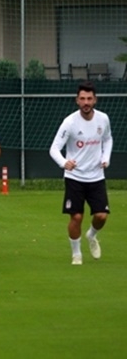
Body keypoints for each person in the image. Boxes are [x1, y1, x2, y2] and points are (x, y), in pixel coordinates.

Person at [48, 82, 112, 265]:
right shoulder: (69, 122)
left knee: (101, 216)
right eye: (82, 99)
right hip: (75, 177)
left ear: (95, 100)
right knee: (76, 217)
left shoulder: (103, 119)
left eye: (89, 99)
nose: (86, 102)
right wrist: (64, 163)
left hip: (96, 177)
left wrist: (105, 157)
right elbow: (54, 149)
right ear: (77, 100)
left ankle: (92, 235)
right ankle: (76, 254)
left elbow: (108, 139)